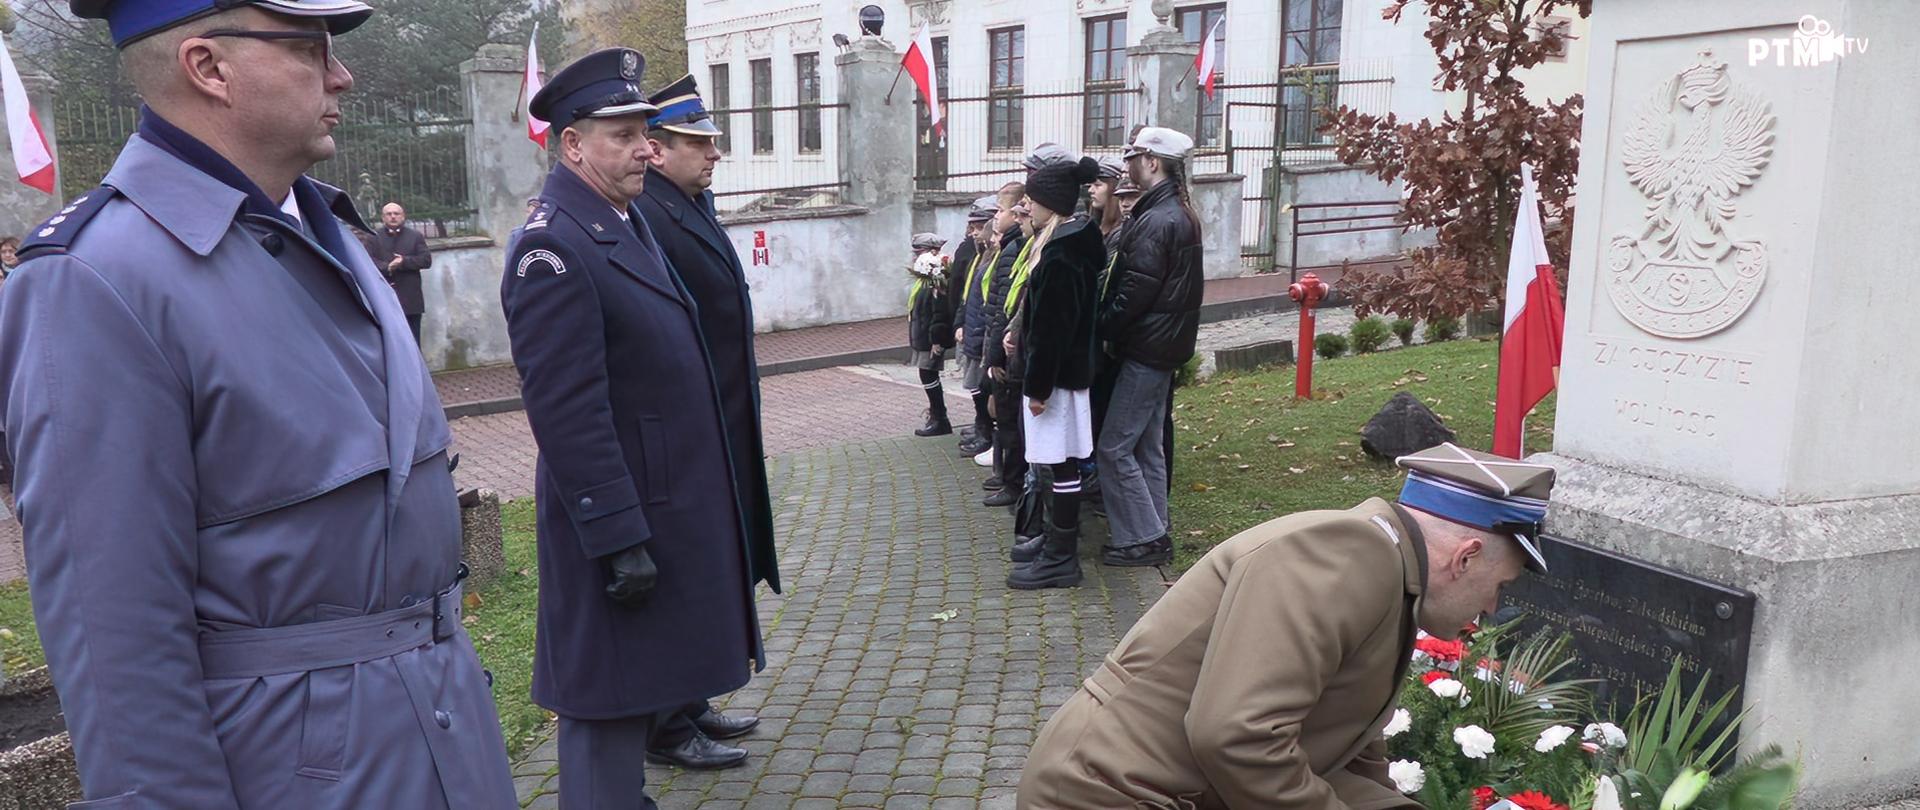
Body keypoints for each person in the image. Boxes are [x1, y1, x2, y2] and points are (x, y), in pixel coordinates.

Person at [0, 0, 519, 806]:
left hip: (439, 731)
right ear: (208, 67)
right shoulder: (95, 279)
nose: (341, 73)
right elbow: (116, 641)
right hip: (292, 770)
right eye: (309, 48)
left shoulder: (327, 227)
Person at [502, 47, 764, 809]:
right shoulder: (553, 246)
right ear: (572, 144)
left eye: (644, 129)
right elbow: (567, 411)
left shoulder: (617, 219)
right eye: (621, 132)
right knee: (604, 703)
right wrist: (617, 538)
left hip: (656, 507)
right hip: (619, 522)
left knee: (634, 688)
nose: (644, 146)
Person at [1016, 443, 1557, 809]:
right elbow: (1237, 736)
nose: (1490, 609)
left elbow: (1347, 752)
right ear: (1464, 557)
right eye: (1501, 586)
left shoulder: (1390, 572)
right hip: (1110, 794)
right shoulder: (1349, 556)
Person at [633, 72, 780, 770]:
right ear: (656, 150)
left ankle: (689, 700)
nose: (712, 152)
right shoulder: (652, 214)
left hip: (721, 418)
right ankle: (664, 723)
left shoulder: (683, 203)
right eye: (697, 142)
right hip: (693, 430)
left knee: (712, 567)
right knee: (686, 573)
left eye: (711, 141)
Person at [1096, 127, 1205, 568]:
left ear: (1154, 162)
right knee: (1146, 447)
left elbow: (1133, 294)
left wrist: (1101, 326)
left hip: (1146, 348)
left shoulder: (1159, 220)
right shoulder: (1176, 212)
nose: (1128, 166)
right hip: (1163, 347)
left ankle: (1143, 538)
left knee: (1114, 446)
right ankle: (1155, 529)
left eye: (1134, 157)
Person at [1004, 157, 1105, 591]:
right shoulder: (1064, 242)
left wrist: (1038, 387)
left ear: (1053, 203)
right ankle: (1053, 542)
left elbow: (1052, 330)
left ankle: (1061, 557)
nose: (1027, 204)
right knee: (1054, 463)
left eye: (1034, 198)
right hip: (1060, 376)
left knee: (1061, 464)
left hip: (1057, 379)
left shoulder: (1063, 252)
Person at [981, 191, 1031, 508]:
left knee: (1011, 421)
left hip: (1013, 351)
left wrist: (995, 354)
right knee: (1005, 417)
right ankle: (1008, 477)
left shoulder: (1017, 249)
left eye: (1004, 210)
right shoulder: (1015, 247)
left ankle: (1013, 483)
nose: (997, 217)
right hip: (1003, 345)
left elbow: (1006, 305)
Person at [952, 196, 997, 456]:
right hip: (973, 329)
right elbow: (967, 293)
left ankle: (986, 432)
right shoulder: (979, 254)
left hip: (982, 332)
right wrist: (960, 322)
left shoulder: (991, 256)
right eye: (972, 226)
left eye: (979, 226)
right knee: (975, 384)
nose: (973, 232)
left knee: (982, 385)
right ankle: (981, 427)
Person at [905, 232, 955, 435]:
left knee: (928, 374)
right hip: (922, 335)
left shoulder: (937, 277)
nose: (916, 257)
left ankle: (940, 418)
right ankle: (936, 415)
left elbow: (940, 310)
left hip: (930, 338)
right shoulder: (925, 278)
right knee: (926, 374)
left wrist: (937, 339)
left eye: (920, 252)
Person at [365, 201, 433, 343]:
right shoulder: (372, 237)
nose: (393, 217)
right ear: (383, 218)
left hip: (410, 299)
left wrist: (403, 262)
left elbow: (426, 260)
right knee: (390, 341)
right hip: (384, 298)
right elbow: (367, 261)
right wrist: (387, 267)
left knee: (413, 340)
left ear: (403, 217)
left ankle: (415, 366)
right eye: (389, 214)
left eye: (396, 213)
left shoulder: (415, 236)